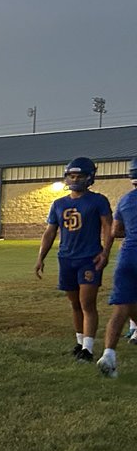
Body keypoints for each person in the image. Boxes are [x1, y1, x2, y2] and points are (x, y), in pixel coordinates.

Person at [35, 157, 114, 363]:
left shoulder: (98, 200)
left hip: (89, 257)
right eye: (72, 175)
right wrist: (40, 257)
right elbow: (50, 232)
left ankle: (88, 349)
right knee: (74, 303)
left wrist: (105, 252)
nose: (75, 179)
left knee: (87, 302)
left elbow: (108, 227)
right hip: (66, 258)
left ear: (89, 178)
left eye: (79, 176)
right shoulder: (58, 203)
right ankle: (80, 343)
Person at [98, 156, 137, 377]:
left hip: (127, 256)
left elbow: (115, 231)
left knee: (122, 306)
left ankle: (109, 354)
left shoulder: (125, 200)